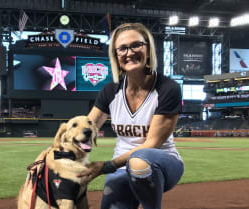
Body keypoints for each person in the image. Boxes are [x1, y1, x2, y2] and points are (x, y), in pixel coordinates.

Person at [78, 22, 184, 209]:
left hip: (162, 164)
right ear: (116, 55)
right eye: (123, 48)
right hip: (121, 169)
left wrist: (106, 166)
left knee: (139, 160)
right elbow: (84, 128)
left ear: (148, 49)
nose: (129, 52)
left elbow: (151, 145)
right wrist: (51, 155)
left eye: (136, 45)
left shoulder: (168, 89)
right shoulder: (110, 91)